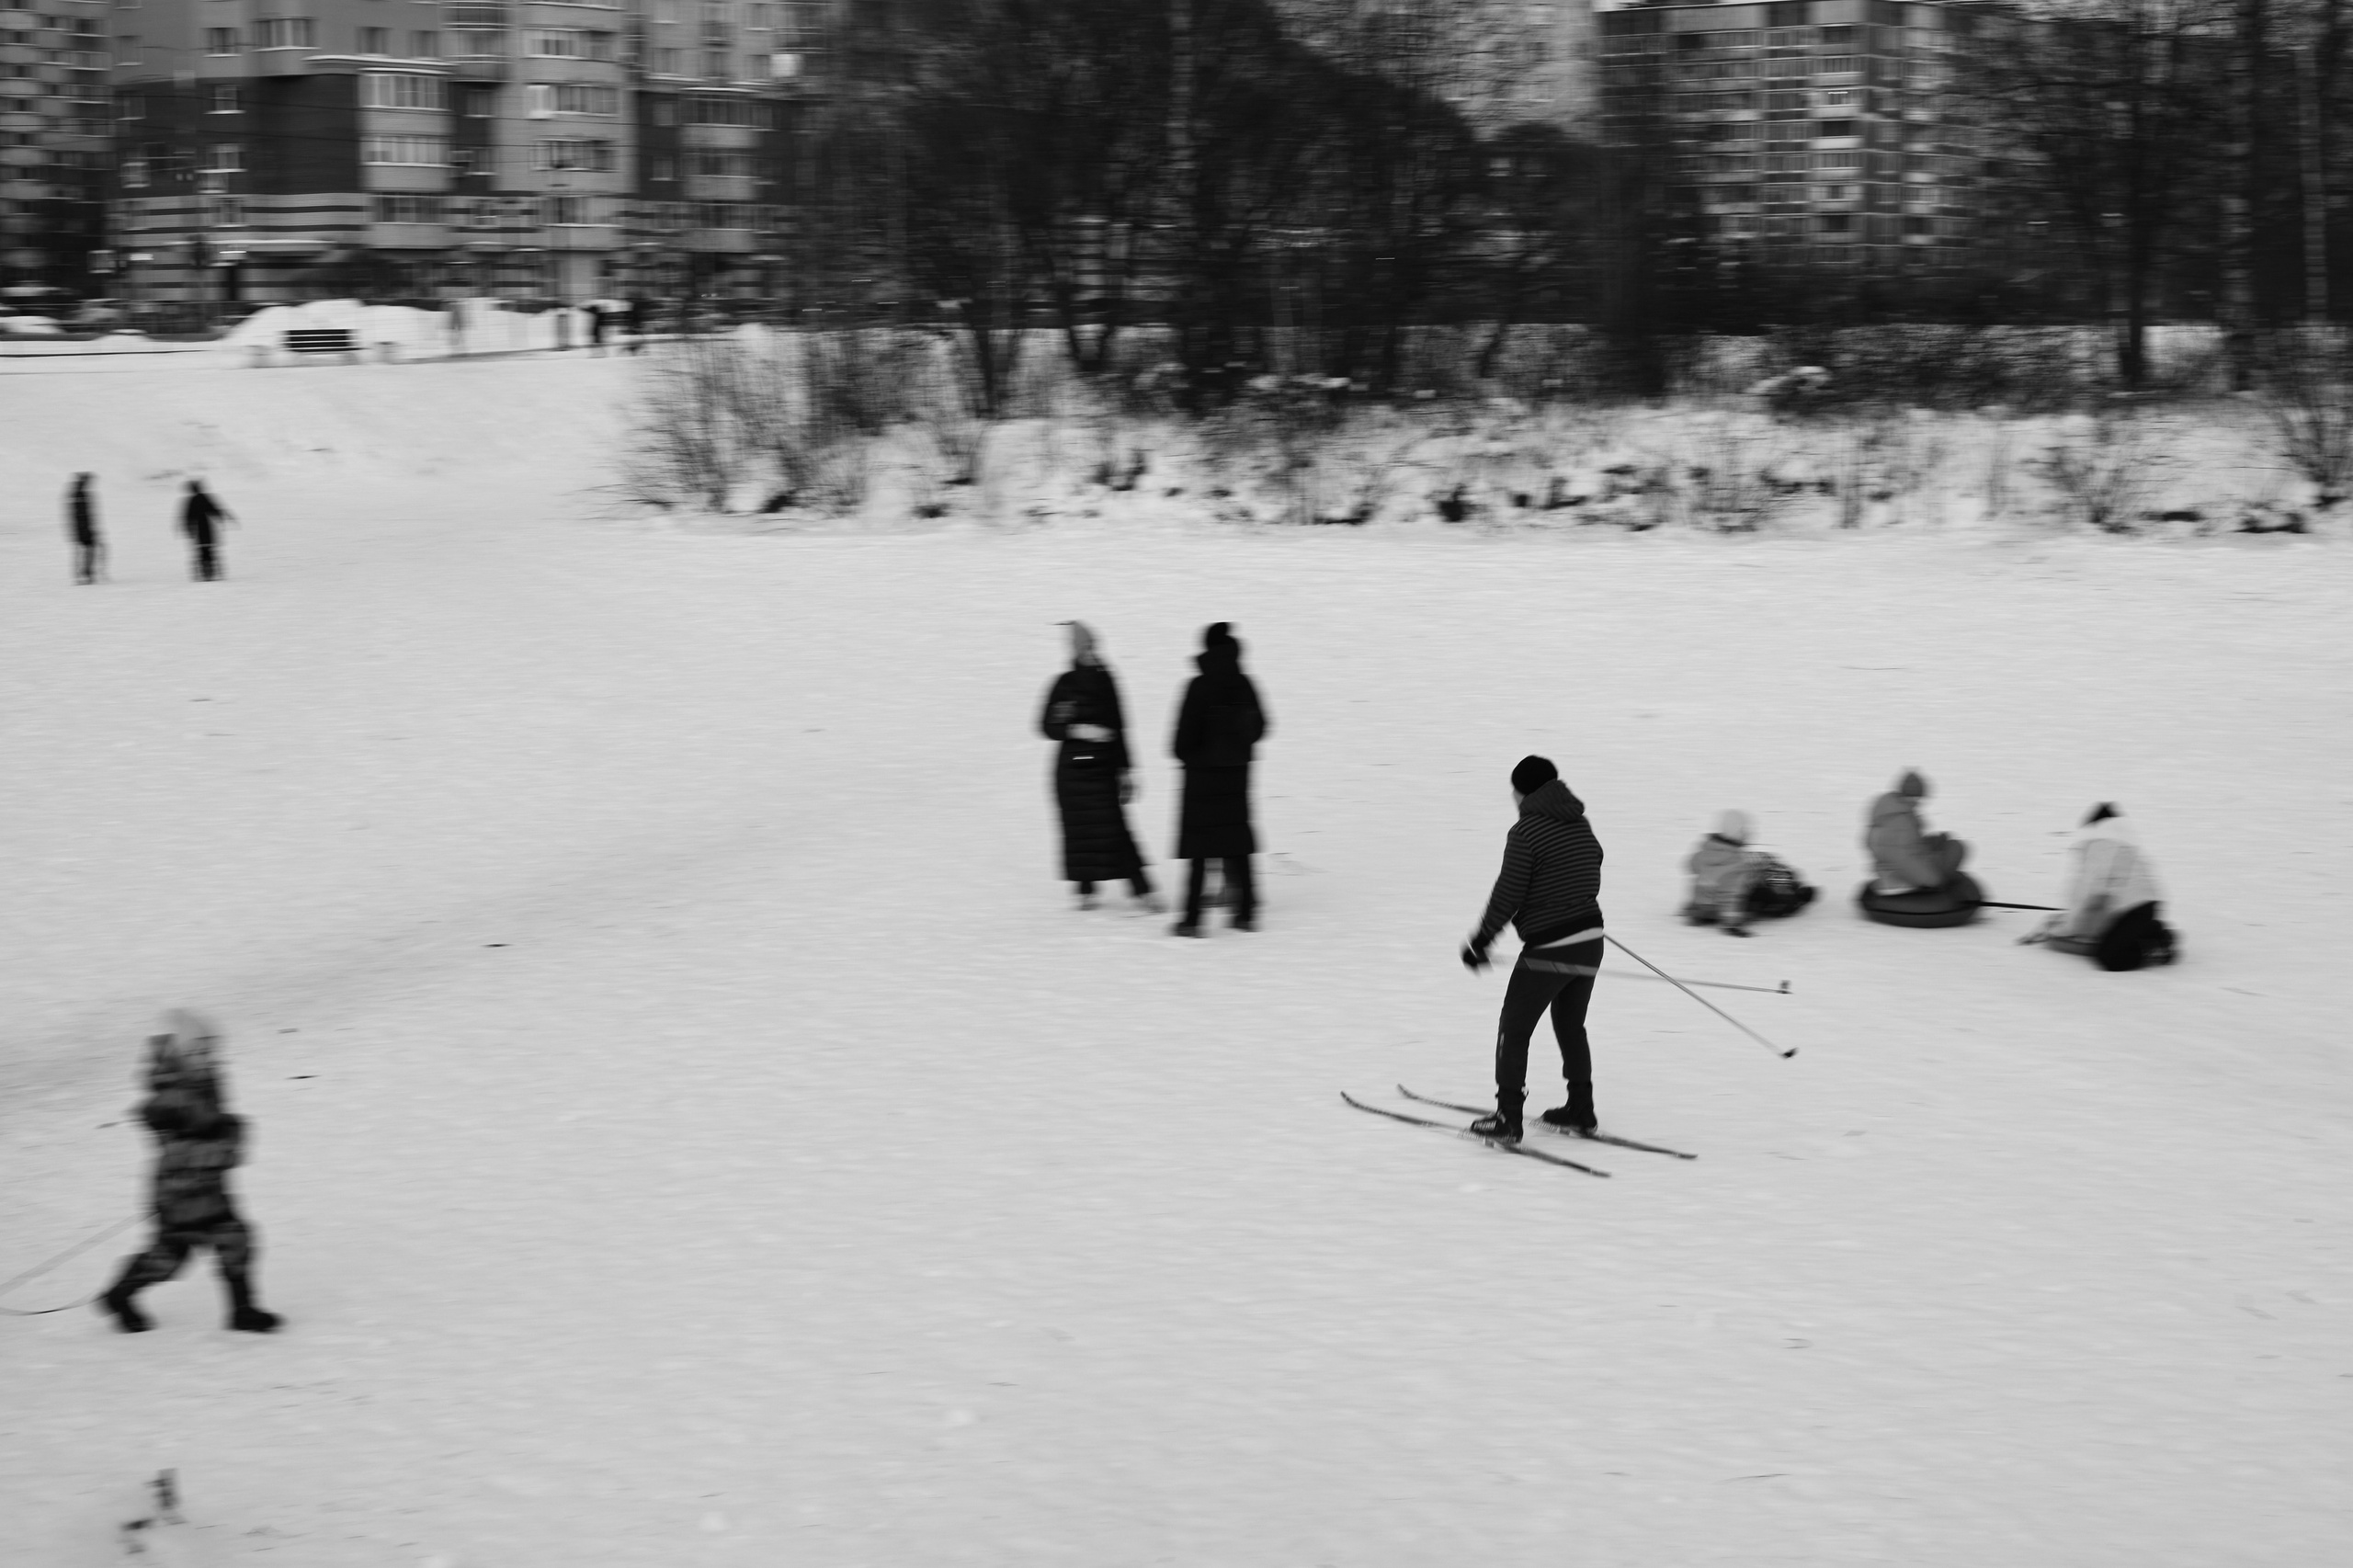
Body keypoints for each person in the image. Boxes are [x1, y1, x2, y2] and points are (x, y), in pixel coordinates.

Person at [97, 1010, 281, 1335]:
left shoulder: (203, 1084)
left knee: (236, 1241)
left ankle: (242, 1310)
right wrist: (229, 1142)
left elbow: (215, 1128)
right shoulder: (169, 1101)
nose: (208, 1058)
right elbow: (182, 1150)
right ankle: (118, 1295)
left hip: (209, 1191)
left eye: (211, 1051)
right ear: (177, 1056)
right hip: (179, 1195)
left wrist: (227, 1136)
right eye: (199, 1052)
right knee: (169, 1258)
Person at [1461, 756, 1607, 1142]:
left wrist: (1481, 940)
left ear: (1523, 791)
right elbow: (1593, 861)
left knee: (1515, 1026)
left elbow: (1508, 893)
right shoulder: (1579, 821)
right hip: (1591, 940)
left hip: (1551, 947)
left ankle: (1508, 1118)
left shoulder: (1525, 832)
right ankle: (1581, 1108)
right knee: (1570, 1024)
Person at [1040, 621, 1159, 912]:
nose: (1091, 652)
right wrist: (1080, 730)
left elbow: (1121, 726)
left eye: (1093, 646)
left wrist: (1127, 770)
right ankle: (1086, 891)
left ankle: (1141, 890)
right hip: (1071, 774)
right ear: (1076, 650)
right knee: (1080, 833)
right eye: (1086, 648)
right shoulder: (1064, 684)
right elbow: (1048, 726)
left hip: (1103, 770)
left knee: (1116, 830)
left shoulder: (1107, 680)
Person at [1170, 621, 1268, 936]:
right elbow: (1262, 726)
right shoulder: (1245, 684)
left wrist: (1195, 756)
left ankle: (1192, 920)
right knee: (1237, 844)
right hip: (1237, 779)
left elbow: (1180, 743)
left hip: (1201, 781)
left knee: (1199, 852)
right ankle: (1247, 912)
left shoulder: (1198, 687)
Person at [2021, 803, 2178, 970]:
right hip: (2145, 905)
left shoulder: (2099, 846)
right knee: (2112, 934)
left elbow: (2088, 896)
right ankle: (2155, 932)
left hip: (2132, 910)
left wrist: (2063, 930)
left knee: (2109, 957)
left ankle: (2153, 949)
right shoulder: (2123, 845)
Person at [1865, 769, 1968, 892]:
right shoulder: (1901, 821)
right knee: (1956, 848)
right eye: (1916, 798)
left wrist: (1929, 842)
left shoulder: (1891, 810)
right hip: (1903, 873)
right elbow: (1902, 859)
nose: (1918, 803)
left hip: (1896, 864)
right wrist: (1932, 880)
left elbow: (1902, 846)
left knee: (1944, 842)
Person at [1684, 810, 1766, 936]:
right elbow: (1731, 895)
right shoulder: (1738, 863)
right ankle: (1797, 897)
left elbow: (1690, 865)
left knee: (1707, 886)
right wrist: (1731, 924)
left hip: (1699, 908)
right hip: (1720, 912)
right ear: (1740, 833)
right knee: (1761, 893)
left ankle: (1699, 915)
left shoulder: (1703, 853)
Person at [180, 479, 234, 582]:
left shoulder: (191, 501)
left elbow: (188, 517)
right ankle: (215, 573)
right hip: (208, 529)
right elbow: (216, 509)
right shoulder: (205, 498)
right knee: (210, 551)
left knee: (201, 552)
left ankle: (203, 574)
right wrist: (228, 517)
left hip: (198, 531)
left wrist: (188, 529)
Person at [66, 472, 104, 585]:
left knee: (86, 551)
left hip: (83, 529)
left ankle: (84, 574)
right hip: (83, 530)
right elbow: (80, 515)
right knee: (85, 551)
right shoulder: (79, 495)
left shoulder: (79, 493)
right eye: (87, 481)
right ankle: (84, 574)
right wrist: (86, 530)